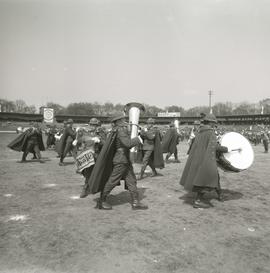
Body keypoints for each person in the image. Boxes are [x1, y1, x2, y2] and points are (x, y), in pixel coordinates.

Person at [86, 114, 148, 210]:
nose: (125, 120)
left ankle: (135, 202)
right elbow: (127, 144)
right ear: (118, 121)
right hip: (121, 159)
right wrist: (139, 138)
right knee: (113, 181)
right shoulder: (120, 130)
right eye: (123, 119)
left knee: (131, 180)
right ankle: (102, 201)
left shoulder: (117, 129)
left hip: (123, 159)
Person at [179, 113, 230, 209]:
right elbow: (212, 148)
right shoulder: (210, 132)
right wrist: (225, 149)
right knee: (206, 179)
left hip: (197, 159)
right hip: (205, 160)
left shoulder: (199, 131)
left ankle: (220, 195)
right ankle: (198, 201)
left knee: (210, 178)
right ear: (210, 123)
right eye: (214, 123)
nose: (214, 125)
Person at [78, 118, 105, 198]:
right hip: (86, 155)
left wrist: (99, 141)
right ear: (89, 124)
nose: (93, 126)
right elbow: (80, 139)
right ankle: (86, 188)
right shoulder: (84, 131)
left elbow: (105, 142)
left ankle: (98, 189)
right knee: (87, 172)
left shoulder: (101, 132)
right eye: (92, 124)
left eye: (95, 125)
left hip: (97, 154)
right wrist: (90, 139)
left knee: (98, 173)